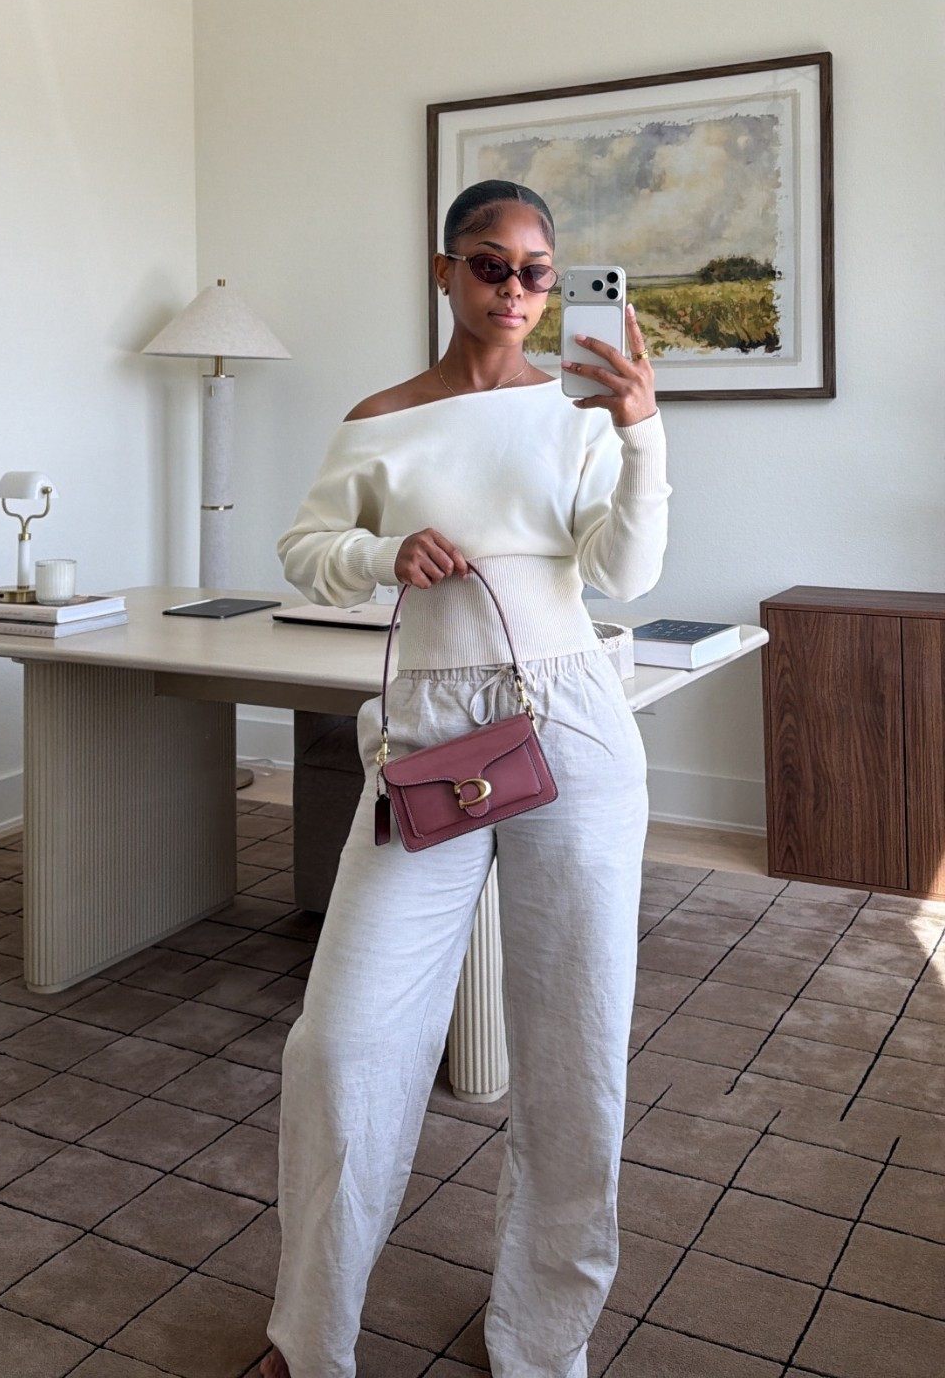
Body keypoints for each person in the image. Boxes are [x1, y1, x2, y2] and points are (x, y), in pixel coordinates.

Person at [258, 179, 670, 1378]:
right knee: (342, 1042)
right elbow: (305, 551)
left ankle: (544, 1338)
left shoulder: (582, 411)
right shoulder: (381, 417)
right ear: (444, 270)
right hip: (430, 729)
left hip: (572, 718)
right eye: (490, 263)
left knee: (575, 1043)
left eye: (539, 269)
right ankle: (309, 1334)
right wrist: (388, 550)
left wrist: (641, 430)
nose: (516, 289)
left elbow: (629, 571)